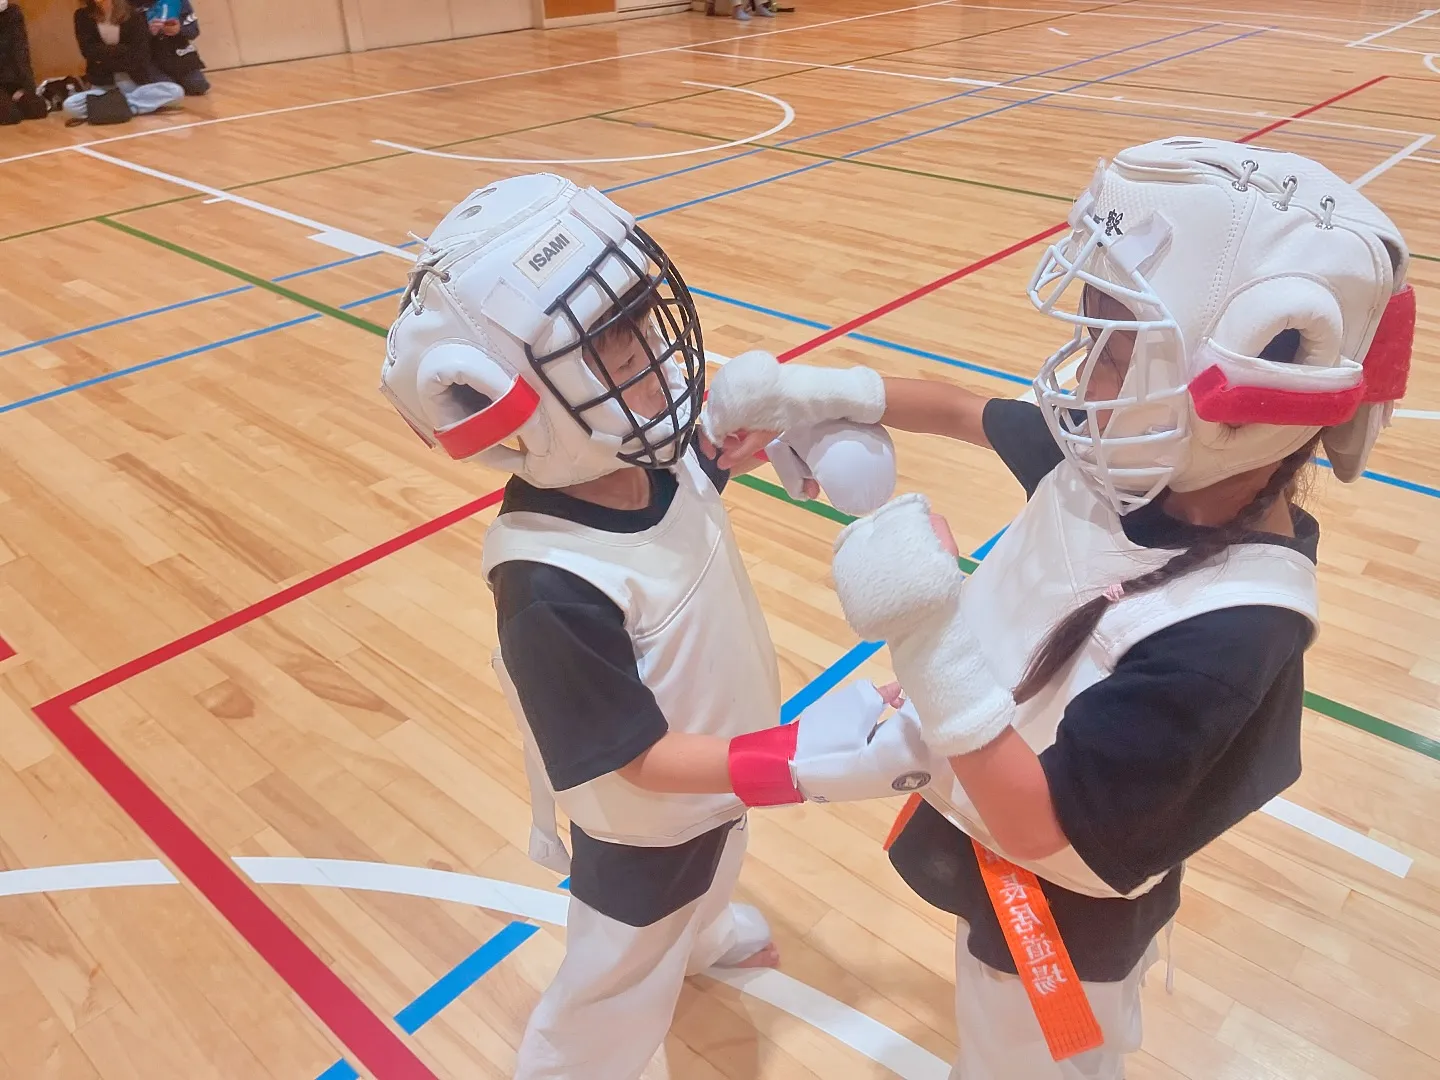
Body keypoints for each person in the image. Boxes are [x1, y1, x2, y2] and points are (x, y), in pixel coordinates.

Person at [702, 137, 1415, 1078]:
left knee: (1030, 1052)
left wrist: (927, 632)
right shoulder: (1137, 471)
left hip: (1056, 904)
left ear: (1257, 392)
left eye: (1122, 352)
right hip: (1006, 837)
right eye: (1097, 337)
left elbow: (1044, 829)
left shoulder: (1233, 627)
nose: (1087, 380)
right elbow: (964, 410)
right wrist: (820, 391)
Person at [377, 173, 935, 1080]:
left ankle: (705, 932)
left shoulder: (653, 462)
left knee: (718, 860)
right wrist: (792, 760)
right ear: (521, 401)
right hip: (646, 823)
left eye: (639, 318)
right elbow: (630, 758)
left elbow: (690, 494)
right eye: (613, 341)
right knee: (617, 974)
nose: (651, 353)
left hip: (717, 777)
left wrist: (751, 443)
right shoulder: (548, 582)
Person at [64, 0, 182, 121]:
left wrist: (104, 58)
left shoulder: (133, 15)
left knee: (175, 92)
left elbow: (140, 55)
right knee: (70, 106)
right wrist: (122, 50)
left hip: (133, 82)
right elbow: (88, 51)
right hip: (103, 83)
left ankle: (114, 108)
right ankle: (127, 107)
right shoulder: (82, 16)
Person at [136, 0, 206, 96]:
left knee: (198, 86)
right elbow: (129, 40)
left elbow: (194, 31)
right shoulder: (130, 5)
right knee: (169, 90)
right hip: (150, 59)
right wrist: (148, 32)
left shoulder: (179, 2)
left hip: (179, 55)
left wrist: (179, 29)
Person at [0, 0, 48, 124]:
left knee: (38, 108)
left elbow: (21, 51)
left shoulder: (13, 13)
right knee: (10, 116)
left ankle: (10, 99)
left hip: (10, 80)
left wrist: (26, 87)